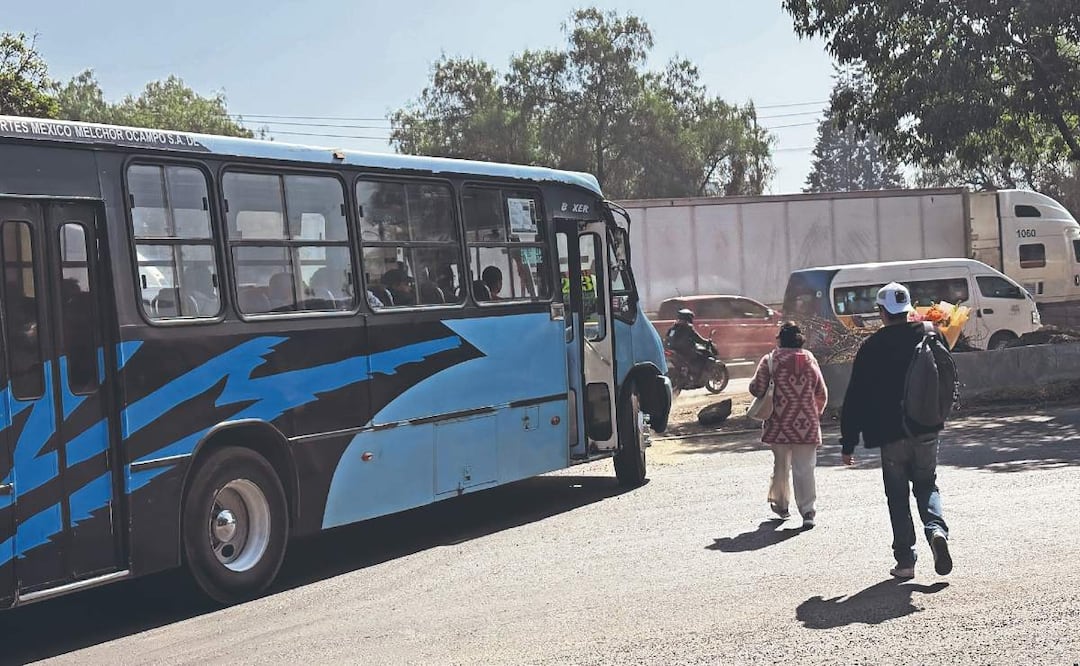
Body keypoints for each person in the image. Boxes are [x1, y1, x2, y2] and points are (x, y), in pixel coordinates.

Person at [840, 281, 953, 580]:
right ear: (907, 308)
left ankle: (906, 561)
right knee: (927, 485)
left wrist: (848, 443)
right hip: (928, 426)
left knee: (898, 496)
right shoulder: (932, 333)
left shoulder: (873, 346)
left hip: (891, 434)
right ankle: (936, 531)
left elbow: (855, 397)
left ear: (881, 312)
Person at [749, 322, 828, 529]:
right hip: (807, 425)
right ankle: (808, 511)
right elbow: (821, 392)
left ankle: (781, 505)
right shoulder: (809, 359)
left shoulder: (770, 360)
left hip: (779, 425)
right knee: (805, 468)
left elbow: (756, 389)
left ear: (780, 339)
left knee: (781, 466)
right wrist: (814, 413)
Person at [665, 308, 711, 378]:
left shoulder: (673, 328)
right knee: (702, 356)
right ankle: (695, 374)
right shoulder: (688, 328)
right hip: (685, 351)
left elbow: (667, 338)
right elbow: (697, 339)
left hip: (673, 350)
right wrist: (706, 341)